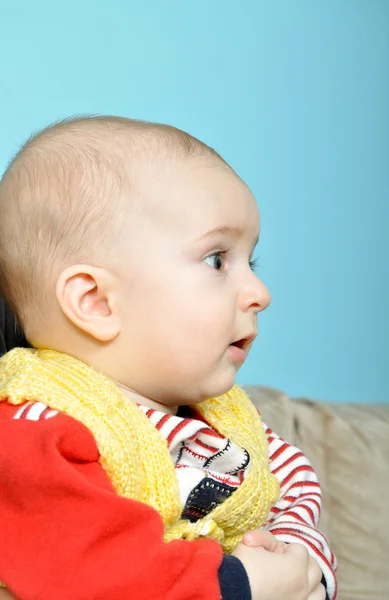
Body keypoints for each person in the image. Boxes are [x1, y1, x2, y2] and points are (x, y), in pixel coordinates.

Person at [0, 117, 337, 600]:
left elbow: (297, 495)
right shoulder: (35, 434)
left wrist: (301, 565)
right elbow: (92, 575)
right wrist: (239, 585)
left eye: (252, 261)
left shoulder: (231, 425)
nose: (260, 293)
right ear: (96, 302)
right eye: (217, 259)